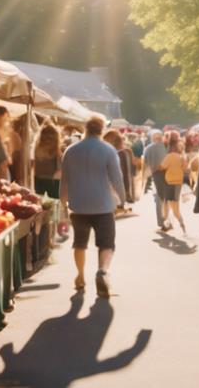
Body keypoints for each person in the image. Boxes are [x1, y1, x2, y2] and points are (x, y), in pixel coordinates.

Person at [60, 117, 125, 297]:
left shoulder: (70, 151)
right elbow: (117, 179)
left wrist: (62, 204)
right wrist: (122, 199)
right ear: (102, 130)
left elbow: (64, 181)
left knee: (79, 242)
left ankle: (80, 276)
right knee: (106, 242)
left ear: (86, 129)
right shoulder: (108, 150)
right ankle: (102, 271)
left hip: (78, 205)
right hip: (103, 204)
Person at [160, 136, 188, 234]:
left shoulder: (169, 156)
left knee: (171, 205)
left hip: (170, 183)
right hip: (178, 183)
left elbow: (162, 166)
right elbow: (185, 168)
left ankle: (181, 224)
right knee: (171, 204)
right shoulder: (181, 157)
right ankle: (167, 224)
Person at [104, 130, 135, 205]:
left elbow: (118, 177)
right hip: (122, 192)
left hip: (113, 194)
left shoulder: (116, 154)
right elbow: (132, 171)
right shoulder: (126, 152)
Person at [33, 124, 62, 199]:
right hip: (53, 182)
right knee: (53, 205)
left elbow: (33, 164)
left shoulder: (37, 149)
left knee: (39, 202)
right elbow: (59, 170)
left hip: (38, 179)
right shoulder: (56, 150)